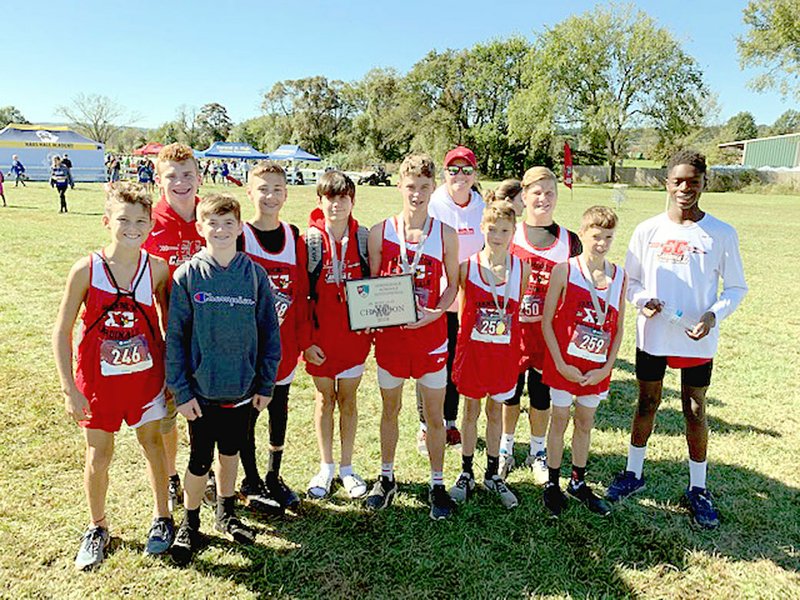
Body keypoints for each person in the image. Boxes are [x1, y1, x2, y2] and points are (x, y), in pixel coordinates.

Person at [605, 150, 748, 529]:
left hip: (696, 338)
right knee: (647, 402)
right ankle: (633, 474)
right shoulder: (647, 230)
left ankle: (698, 487)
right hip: (654, 335)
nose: (686, 188)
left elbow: (736, 287)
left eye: (693, 181)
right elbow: (631, 280)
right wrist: (640, 300)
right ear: (666, 183)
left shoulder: (721, 233)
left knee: (695, 409)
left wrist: (713, 315)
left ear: (705, 183)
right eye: (678, 181)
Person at [52, 182, 173, 570]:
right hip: (98, 382)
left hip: (145, 380)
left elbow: (172, 327)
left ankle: (162, 518)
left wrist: (174, 376)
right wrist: (69, 387)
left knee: (153, 446)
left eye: (140, 220)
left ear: (151, 224)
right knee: (99, 455)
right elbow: (61, 330)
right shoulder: (87, 269)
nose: (132, 226)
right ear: (107, 221)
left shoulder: (156, 269)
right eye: (123, 219)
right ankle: (97, 526)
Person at [166, 193, 281, 565]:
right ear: (200, 228)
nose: (220, 230)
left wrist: (265, 384)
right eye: (212, 223)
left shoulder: (254, 275)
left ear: (239, 227)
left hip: (243, 389)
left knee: (230, 453)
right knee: (200, 460)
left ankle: (227, 513)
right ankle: (190, 522)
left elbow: (269, 334)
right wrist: (181, 391)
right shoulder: (187, 275)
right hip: (201, 392)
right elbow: (177, 340)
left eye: (228, 223)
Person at [365, 153, 460, 520]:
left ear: (433, 188)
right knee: (391, 409)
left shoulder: (445, 234)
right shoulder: (380, 231)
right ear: (399, 186)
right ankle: (386, 478)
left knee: (435, 416)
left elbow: (453, 286)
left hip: (431, 337)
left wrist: (437, 311)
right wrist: (373, 313)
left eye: (423, 187)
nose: (417, 194)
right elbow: (371, 286)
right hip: (391, 339)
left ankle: (437, 484)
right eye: (410, 187)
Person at [541, 206, 626, 518]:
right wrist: (561, 363)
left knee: (585, 422)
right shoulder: (566, 270)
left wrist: (607, 367)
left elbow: (618, 329)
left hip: (595, 368)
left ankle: (578, 480)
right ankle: (552, 482)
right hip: (566, 364)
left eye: (608, 237)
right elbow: (547, 322)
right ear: (584, 233)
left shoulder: (619, 276)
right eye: (595, 236)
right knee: (559, 420)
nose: (601, 243)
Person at [500, 167, 582, 483]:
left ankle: (537, 451)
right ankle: (506, 448)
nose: (543, 199)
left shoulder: (570, 240)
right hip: (512, 332)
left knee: (540, 395)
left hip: (547, 335)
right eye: (536, 192)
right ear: (524, 195)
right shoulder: (509, 233)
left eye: (549, 193)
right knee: (510, 394)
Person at [236, 161, 309, 512]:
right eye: (262, 188)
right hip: (248, 350)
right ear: (250, 192)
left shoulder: (294, 235)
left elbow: (303, 294)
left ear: (286, 194)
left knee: (279, 410)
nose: (269, 195)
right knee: (248, 414)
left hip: (283, 348)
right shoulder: (239, 235)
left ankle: (273, 475)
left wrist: (304, 341)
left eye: (277, 189)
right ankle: (249, 480)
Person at [449, 200, 529, 510]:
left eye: (505, 230)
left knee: (496, 412)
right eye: (492, 229)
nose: (497, 235)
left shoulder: (521, 268)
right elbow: (460, 303)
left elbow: (518, 306)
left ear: (513, 232)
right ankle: (466, 471)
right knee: (470, 412)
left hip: (504, 354)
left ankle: (493, 474)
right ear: (483, 228)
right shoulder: (467, 266)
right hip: (474, 352)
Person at [142, 143, 205, 512]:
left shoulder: (213, 215)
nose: (180, 183)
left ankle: (206, 473)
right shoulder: (149, 221)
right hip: (168, 340)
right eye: (172, 176)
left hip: (210, 340)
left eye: (187, 175)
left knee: (209, 410)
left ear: (198, 176)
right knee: (168, 417)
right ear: (159, 180)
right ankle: (170, 479)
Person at [303, 171, 372, 500]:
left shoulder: (364, 239)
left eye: (343, 197)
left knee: (348, 401)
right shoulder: (310, 242)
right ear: (320, 201)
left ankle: (347, 467)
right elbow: (302, 295)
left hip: (354, 339)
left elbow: (376, 287)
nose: (337, 204)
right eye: (330, 198)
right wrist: (306, 342)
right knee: (323, 401)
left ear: (352, 201)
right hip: (320, 342)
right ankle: (326, 466)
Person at [417, 146, 485, 452]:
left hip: (470, 301)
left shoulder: (481, 206)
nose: (460, 176)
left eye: (466, 170)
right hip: (437, 300)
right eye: (453, 170)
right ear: (445, 174)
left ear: (474, 174)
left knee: (457, 364)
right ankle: (423, 426)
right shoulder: (433, 204)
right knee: (431, 363)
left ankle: (450, 422)